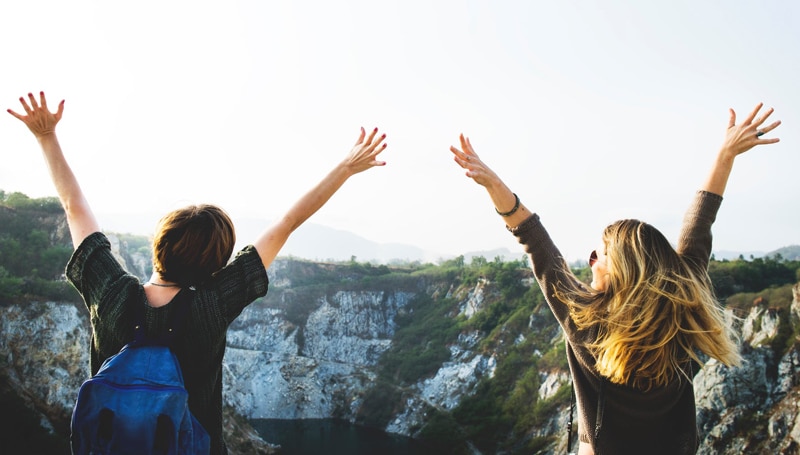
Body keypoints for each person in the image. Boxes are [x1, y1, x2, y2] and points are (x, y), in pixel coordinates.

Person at [8, 91, 388, 454]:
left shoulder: (112, 295)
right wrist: (346, 167)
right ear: (216, 265)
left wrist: (46, 136)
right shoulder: (213, 303)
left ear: (159, 243)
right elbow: (288, 222)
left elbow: (74, 207)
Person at [448, 104, 781, 455]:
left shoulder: (585, 322)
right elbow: (700, 221)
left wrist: (494, 185)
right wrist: (725, 154)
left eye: (598, 256)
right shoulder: (682, 309)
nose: (591, 261)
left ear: (618, 272)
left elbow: (535, 241)